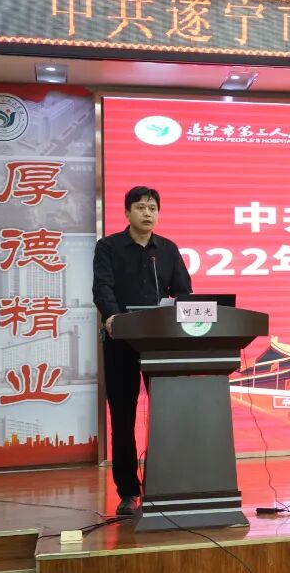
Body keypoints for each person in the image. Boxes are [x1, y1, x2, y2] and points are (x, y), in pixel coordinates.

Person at [92, 186, 192, 515]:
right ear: (127, 213)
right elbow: (102, 287)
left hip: (161, 343)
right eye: (140, 207)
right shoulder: (108, 247)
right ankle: (127, 492)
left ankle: (167, 483)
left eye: (152, 208)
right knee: (123, 417)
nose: (147, 213)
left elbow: (183, 291)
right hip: (121, 341)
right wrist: (112, 316)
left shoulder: (168, 250)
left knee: (166, 415)